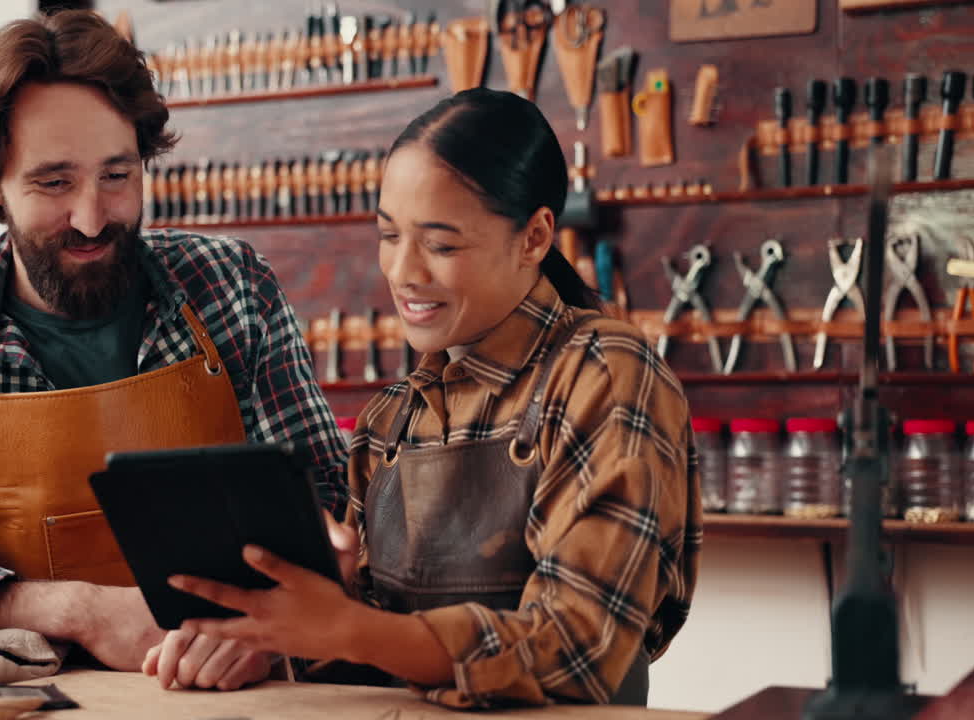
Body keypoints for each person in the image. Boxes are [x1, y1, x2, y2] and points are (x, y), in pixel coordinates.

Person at [0, 10, 346, 692]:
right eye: (54, 183)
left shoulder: (232, 286)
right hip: (35, 703)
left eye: (117, 176)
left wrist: (273, 627)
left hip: (240, 693)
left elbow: (332, 508)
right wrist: (80, 610)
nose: (93, 218)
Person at [144, 88, 702, 707]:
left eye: (440, 244)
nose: (404, 271)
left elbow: (579, 645)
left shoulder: (605, 370)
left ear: (536, 236)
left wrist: (355, 628)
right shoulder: (390, 421)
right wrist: (291, 623)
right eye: (389, 235)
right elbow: (363, 668)